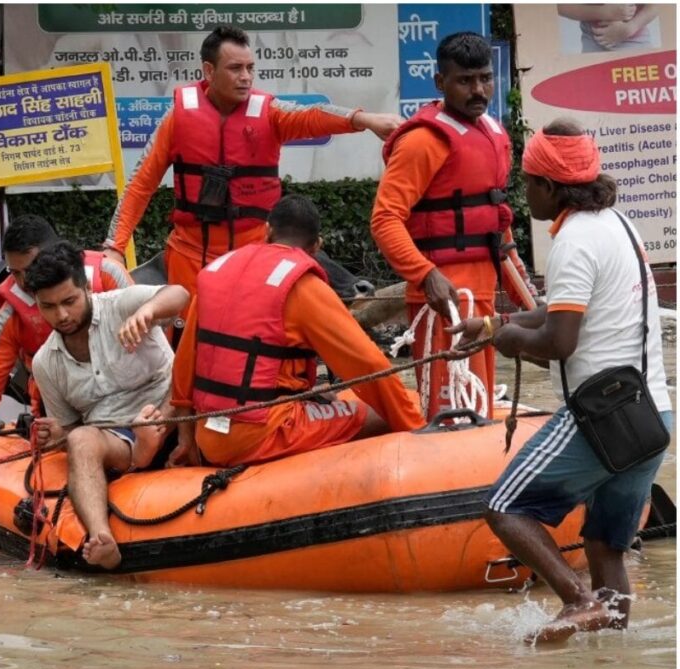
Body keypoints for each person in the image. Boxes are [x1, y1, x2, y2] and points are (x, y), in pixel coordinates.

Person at [449, 119, 672, 645]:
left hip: (601, 417)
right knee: (604, 545)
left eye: (527, 183)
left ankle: (577, 600)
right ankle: (612, 653)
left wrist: (512, 343)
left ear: (550, 186)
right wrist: (492, 326)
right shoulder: (618, 223)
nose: (524, 194)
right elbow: (562, 312)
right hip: (651, 414)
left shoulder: (571, 240)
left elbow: (559, 340)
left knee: (504, 508)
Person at [103, 25, 403, 313]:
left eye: (250, 68)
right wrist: (114, 247)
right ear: (209, 71)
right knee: (187, 346)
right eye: (235, 68)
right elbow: (140, 184)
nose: (246, 77)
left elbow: (313, 117)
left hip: (257, 254)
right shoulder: (178, 117)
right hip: (191, 255)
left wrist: (363, 120)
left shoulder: (269, 113)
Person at [170, 195, 425, 468]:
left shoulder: (215, 272)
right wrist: (416, 428)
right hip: (263, 432)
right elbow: (370, 366)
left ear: (267, 231)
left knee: (337, 397)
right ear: (317, 246)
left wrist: (186, 439)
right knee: (406, 404)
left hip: (208, 434)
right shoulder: (303, 286)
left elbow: (184, 363)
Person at [370, 31, 537, 420]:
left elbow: (498, 222)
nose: (478, 89)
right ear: (440, 83)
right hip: (442, 302)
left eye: (484, 78)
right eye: (465, 81)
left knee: (478, 406)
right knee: (450, 413)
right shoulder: (422, 141)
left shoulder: (494, 134)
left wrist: (525, 297)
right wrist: (425, 275)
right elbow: (384, 218)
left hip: (481, 298)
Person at [0, 216, 132, 488]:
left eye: (30, 269)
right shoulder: (12, 315)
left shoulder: (109, 276)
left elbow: (160, 351)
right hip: (63, 419)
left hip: (130, 405)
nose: (25, 282)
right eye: (15, 273)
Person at [27, 242, 190, 569]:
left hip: (175, 410)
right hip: (117, 438)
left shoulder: (121, 304)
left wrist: (149, 311)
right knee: (79, 439)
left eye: (69, 302)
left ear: (86, 288)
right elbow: (73, 429)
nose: (61, 315)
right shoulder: (46, 363)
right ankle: (102, 539)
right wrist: (57, 434)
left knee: (193, 373)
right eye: (48, 307)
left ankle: (150, 442)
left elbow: (181, 294)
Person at [557, 5, 660, 52]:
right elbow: (560, 7)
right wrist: (603, 12)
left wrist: (631, 28)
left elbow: (656, 5)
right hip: (593, 42)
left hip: (636, 41)